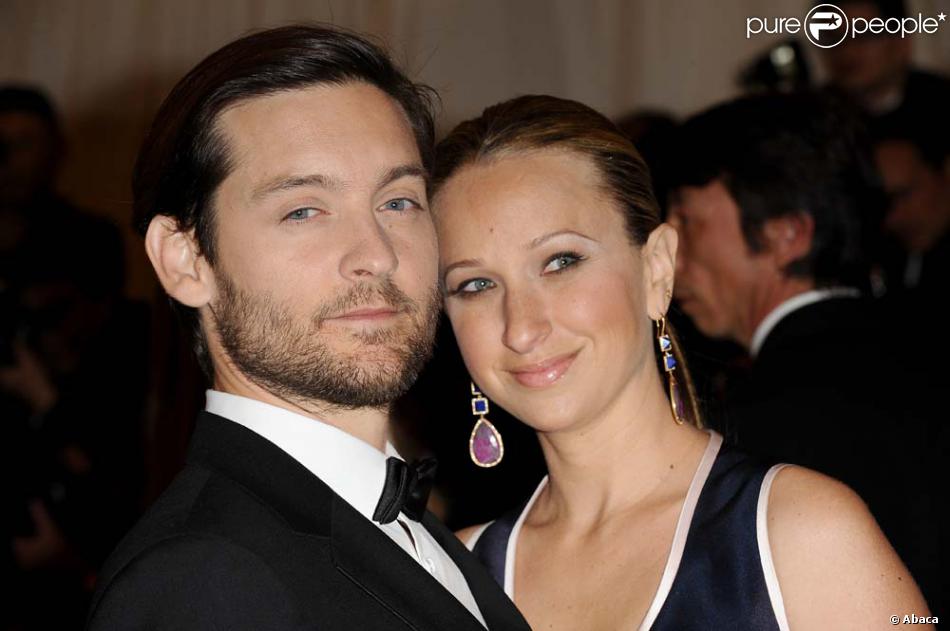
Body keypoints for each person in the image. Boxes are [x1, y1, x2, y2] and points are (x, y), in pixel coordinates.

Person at [85, 25, 530, 631]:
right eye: (303, 210)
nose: (376, 253)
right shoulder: (201, 581)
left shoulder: (409, 528)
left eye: (398, 201)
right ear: (185, 260)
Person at [430, 94, 931, 630]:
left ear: (658, 270)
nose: (522, 327)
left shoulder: (802, 531)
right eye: (475, 285)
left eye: (561, 262)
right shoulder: (453, 580)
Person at [665, 91, 941, 613]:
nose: (671, 258)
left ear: (786, 235)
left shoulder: (754, 422)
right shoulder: (924, 347)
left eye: (687, 222)